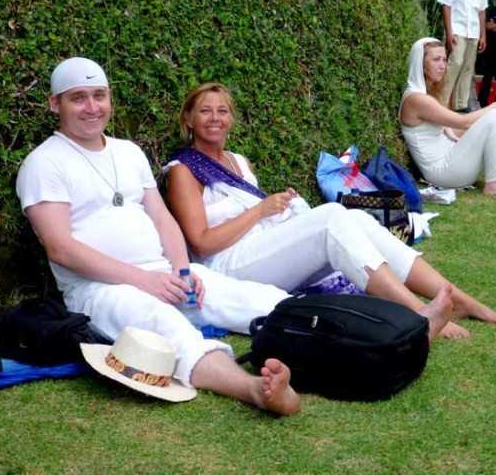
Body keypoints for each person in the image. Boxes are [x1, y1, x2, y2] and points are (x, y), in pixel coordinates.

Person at [15, 57, 301, 416]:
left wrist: (182, 271)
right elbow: (61, 249)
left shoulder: (129, 152)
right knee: (167, 330)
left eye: (99, 96)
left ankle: (351, 344)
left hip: (165, 274)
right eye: (78, 98)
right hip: (99, 290)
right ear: (55, 103)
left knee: (264, 300)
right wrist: (145, 281)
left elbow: (163, 218)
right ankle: (256, 390)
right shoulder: (44, 163)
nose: (92, 107)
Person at [165, 83, 496, 340]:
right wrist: (259, 211)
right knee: (331, 217)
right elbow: (202, 242)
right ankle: (420, 314)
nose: (215, 118)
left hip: (264, 248)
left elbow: (257, 213)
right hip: (230, 265)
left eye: (222, 111)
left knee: (356, 218)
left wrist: (278, 206)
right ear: (188, 119)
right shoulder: (183, 170)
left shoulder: (237, 161)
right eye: (205, 111)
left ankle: (459, 299)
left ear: (231, 118)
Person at [400, 37, 496, 198]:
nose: (442, 66)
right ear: (420, 64)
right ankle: (493, 185)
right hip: (442, 171)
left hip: (452, 157)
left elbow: (452, 130)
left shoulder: (428, 93)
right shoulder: (416, 99)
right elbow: (463, 122)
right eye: (436, 60)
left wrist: (492, 116)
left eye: (444, 59)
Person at [438, 0, 488, 112]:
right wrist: (449, 32)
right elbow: (446, 6)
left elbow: (482, 11)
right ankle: (441, 102)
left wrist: (483, 35)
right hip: (457, 29)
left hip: (473, 31)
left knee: (468, 67)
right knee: (456, 62)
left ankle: (460, 104)